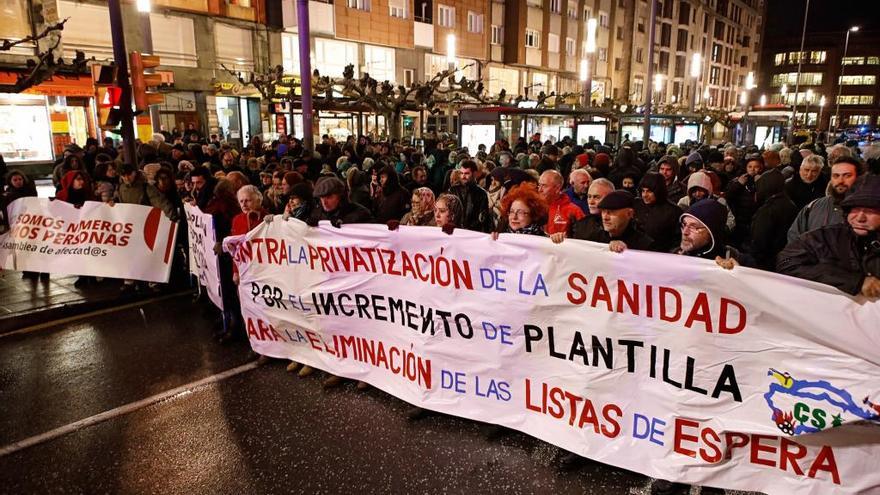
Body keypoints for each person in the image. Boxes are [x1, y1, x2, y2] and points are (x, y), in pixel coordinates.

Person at [777, 175, 880, 297]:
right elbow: (786, 262)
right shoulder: (825, 236)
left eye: (870, 211)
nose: (860, 218)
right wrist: (853, 281)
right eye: (855, 209)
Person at [787, 157, 862, 243]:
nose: (840, 181)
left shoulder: (869, 211)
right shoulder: (813, 207)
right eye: (836, 175)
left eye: (847, 175)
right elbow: (794, 238)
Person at [674, 199, 751, 268]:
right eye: (684, 224)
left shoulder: (738, 261)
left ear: (712, 233)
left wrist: (739, 275)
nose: (685, 232)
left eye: (694, 226)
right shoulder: (674, 255)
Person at [748, 169, 799, 271]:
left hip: (767, 263)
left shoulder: (767, 210)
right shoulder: (790, 204)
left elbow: (759, 241)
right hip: (785, 259)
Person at [634, 172, 682, 252]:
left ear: (659, 191)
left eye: (649, 191)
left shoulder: (674, 212)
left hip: (660, 256)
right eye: (643, 191)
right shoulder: (636, 204)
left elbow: (677, 241)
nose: (645, 195)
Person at [307, 177, 373, 228]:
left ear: (340, 197)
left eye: (329, 197)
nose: (324, 203)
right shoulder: (317, 214)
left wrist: (345, 225)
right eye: (321, 198)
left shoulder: (361, 214)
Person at [449, 160, 492, 232]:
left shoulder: (481, 193)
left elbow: (483, 219)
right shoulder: (453, 190)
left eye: (466, 173)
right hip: (455, 231)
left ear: (474, 174)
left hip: (473, 233)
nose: (463, 176)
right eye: (461, 173)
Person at [539, 170, 585, 235]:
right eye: (539, 185)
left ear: (557, 188)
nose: (540, 190)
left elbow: (583, 237)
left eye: (544, 186)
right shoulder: (535, 207)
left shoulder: (574, 211)